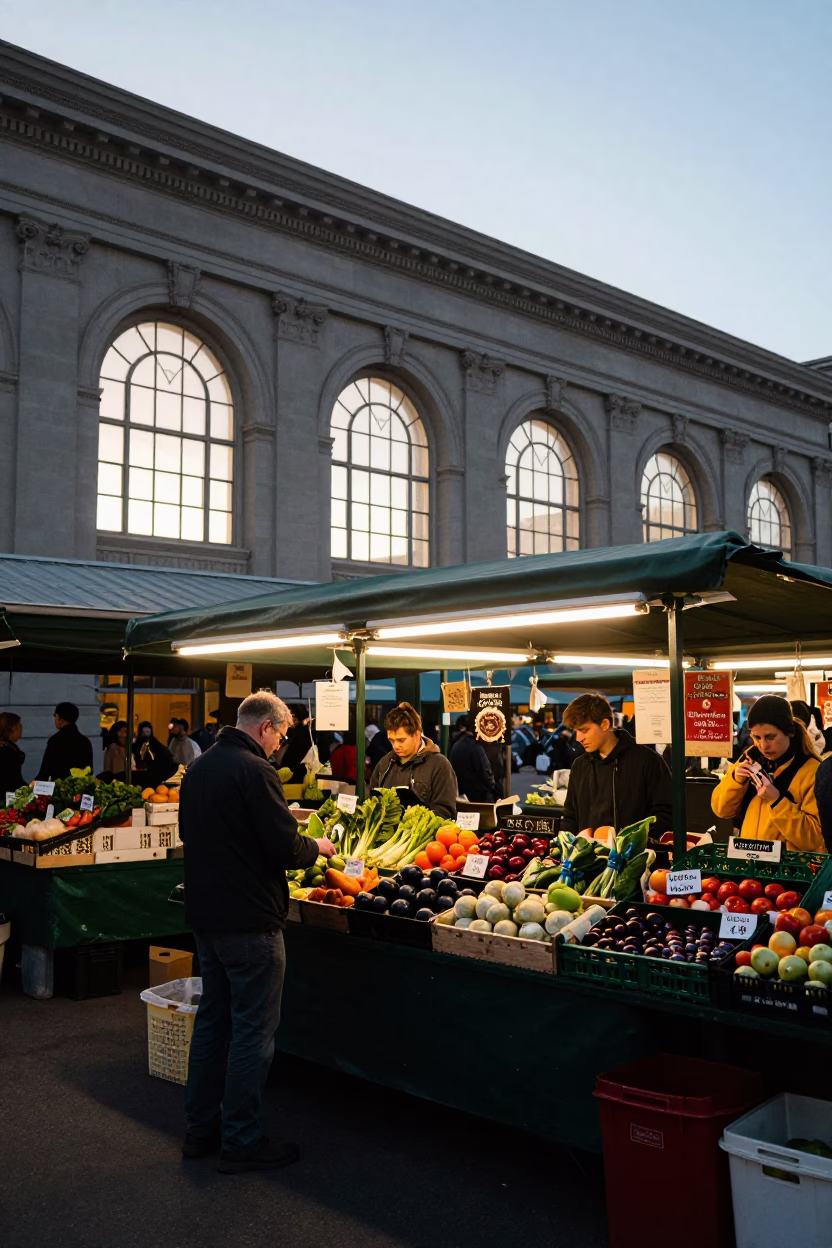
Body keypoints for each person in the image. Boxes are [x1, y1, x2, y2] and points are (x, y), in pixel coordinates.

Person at [179, 690, 335, 1173]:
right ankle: (241, 1141)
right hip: (249, 922)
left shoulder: (200, 768)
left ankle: (199, 1131)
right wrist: (319, 847)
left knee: (211, 1023)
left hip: (206, 916)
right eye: (281, 735)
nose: (279, 745)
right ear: (265, 727)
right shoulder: (256, 770)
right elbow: (285, 848)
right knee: (251, 1033)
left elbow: (192, 835)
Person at [712, 694, 823, 851]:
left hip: (788, 871)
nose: (763, 745)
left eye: (770, 737)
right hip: (749, 865)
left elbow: (815, 840)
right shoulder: (749, 758)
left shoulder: (813, 772)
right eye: (757, 737)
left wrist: (777, 801)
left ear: (789, 732)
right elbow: (720, 810)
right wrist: (735, 781)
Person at [560, 693, 672, 836]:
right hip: (587, 856)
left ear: (605, 724)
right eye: (575, 731)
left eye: (584, 730)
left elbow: (666, 814)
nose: (579, 738)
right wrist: (565, 843)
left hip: (633, 856)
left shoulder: (647, 761)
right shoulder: (579, 765)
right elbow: (570, 815)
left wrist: (630, 840)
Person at [368, 702, 457, 819]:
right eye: (391, 740)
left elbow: (446, 812)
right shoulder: (385, 763)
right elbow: (371, 802)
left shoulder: (440, 765)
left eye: (401, 740)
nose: (395, 746)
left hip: (423, 836)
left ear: (416, 735)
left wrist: (416, 818)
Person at [37, 702, 93, 781]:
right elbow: (89, 770)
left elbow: (46, 771)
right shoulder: (85, 741)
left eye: (55, 716)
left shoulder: (56, 740)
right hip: (80, 788)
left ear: (60, 718)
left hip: (60, 789)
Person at [449, 715, 501, 802]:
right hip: (479, 796)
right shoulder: (475, 747)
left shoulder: (456, 744)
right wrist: (493, 787)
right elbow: (485, 771)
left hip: (461, 794)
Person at [132, 721, 175, 790]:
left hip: (155, 778)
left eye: (148, 732)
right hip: (138, 777)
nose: (146, 735)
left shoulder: (157, 746)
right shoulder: (136, 746)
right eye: (143, 733)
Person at [276, 704, 313, 781]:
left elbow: (279, 759)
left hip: (289, 776)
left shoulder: (292, 734)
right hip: (303, 777)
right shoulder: (307, 733)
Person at [0, 712, 25, 793]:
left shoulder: (9, 747)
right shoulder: (6, 751)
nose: (21, 729)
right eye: (19, 726)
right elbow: (13, 780)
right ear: (12, 728)